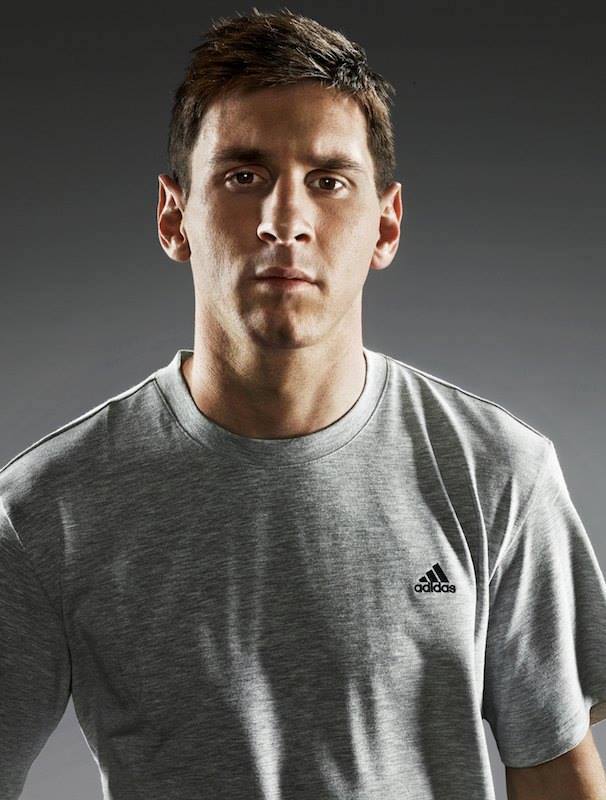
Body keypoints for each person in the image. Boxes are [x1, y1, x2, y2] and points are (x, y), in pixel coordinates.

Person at [1, 8, 605, 800]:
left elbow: (557, 775)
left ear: (385, 225)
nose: (284, 221)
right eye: (243, 176)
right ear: (174, 217)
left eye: (328, 181)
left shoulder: (499, 475)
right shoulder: (47, 509)